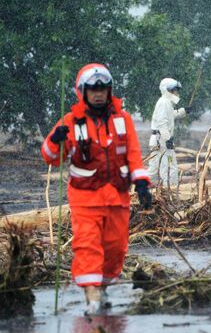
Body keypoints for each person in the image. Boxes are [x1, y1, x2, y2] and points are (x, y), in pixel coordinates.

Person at [41, 63, 152, 314]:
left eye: (103, 88)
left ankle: (101, 289)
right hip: (85, 199)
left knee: (115, 248)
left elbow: (133, 154)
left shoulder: (122, 120)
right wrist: (54, 140)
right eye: (93, 89)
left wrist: (142, 183)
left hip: (117, 197)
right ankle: (92, 300)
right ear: (83, 92)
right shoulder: (70, 122)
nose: (99, 93)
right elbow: (49, 156)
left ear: (109, 90)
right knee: (88, 246)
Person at [148, 78, 186, 190]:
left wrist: (184, 111)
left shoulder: (165, 102)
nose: (176, 93)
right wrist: (168, 139)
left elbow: (169, 115)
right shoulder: (164, 102)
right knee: (170, 166)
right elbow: (162, 123)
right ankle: (170, 191)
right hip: (162, 140)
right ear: (167, 90)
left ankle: (139, 190)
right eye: (174, 90)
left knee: (154, 167)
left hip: (157, 139)